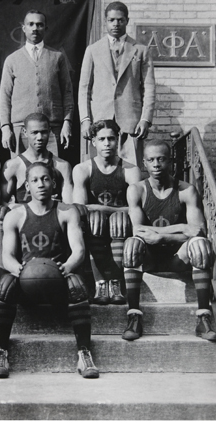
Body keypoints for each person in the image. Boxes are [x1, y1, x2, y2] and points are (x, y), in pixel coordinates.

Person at [0, 161, 99, 379]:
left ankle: (84, 353)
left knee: (76, 284)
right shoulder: (16, 215)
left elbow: (78, 250)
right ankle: (0, 352)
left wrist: (66, 267)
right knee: (5, 285)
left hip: (57, 281)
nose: (41, 184)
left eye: (46, 178)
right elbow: (7, 257)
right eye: (35, 180)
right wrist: (20, 270)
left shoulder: (67, 212)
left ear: (54, 183)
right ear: (27, 186)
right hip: (27, 282)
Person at [122, 139, 216, 342]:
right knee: (132, 244)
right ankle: (133, 316)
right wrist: (181, 228)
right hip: (148, 256)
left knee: (200, 244)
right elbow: (138, 230)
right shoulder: (137, 190)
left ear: (171, 162)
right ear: (144, 163)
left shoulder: (186, 190)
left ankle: (203, 317)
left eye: (161, 159)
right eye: (151, 160)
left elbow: (198, 231)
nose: (156, 164)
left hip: (178, 257)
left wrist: (162, 236)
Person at [0, 112, 74, 271]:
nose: (40, 137)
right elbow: (2, 201)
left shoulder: (62, 166)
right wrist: (17, 207)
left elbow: (69, 204)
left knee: (78, 214)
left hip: (52, 218)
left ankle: (70, 272)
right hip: (24, 220)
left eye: (43, 132)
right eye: (34, 132)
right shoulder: (13, 165)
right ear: (24, 132)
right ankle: (6, 272)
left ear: (50, 131)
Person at [78, 1, 155, 168]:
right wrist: (85, 120)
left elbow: (148, 87)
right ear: (105, 21)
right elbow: (84, 88)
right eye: (111, 20)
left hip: (130, 121)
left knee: (131, 170)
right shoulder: (93, 50)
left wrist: (145, 119)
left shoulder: (140, 50)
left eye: (120, 20)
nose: (116, 24)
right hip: (100, 121)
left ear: (127, 20)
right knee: (98, 171)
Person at [73, 120, 142, 305]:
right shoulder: (82, 169)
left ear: (117, 140)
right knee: (96, 219)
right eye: (101, 139)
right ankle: (100, 283)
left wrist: (101, 209)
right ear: (93, 142)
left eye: (111, 138)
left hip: (121, 225)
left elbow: (136, 208)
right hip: (94, 226)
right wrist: (103, 211)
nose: (106, 143)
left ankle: (116, 282)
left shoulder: (130, 170)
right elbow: (79, 207)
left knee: (118, 219)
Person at [0, 9, 74, 157]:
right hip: (21, 129)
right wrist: (5, 128)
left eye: (39, 25)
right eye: (30, 24)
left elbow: (67, 93)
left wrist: (67, 122)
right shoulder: (12, 60)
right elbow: (4, 97)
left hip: (51, 128)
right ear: (24, 28)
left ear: (45, 28)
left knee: (52, 172)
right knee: (22, 172)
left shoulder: (57, 57)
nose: (35, 28)